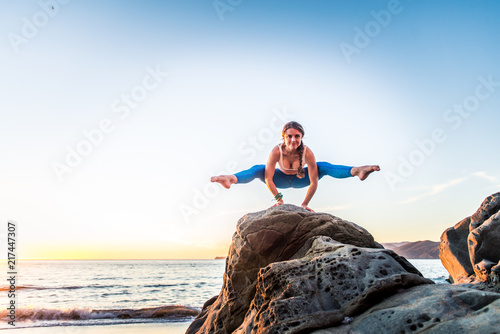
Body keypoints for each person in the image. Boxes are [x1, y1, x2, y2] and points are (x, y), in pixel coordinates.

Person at [211, 121, 380, 212]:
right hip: (280, 180)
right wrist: (280, 201)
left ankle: (357, 170)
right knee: (258, 168)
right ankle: (231, 179)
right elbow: (268, 179)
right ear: (283, 137)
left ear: (301, 137)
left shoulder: (308, 153)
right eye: (290, 136)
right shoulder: (276, 152)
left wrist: (304, 204)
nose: (293, 140)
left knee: (323, 166)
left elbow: (314, 182)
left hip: (302, 179)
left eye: (297, 136)